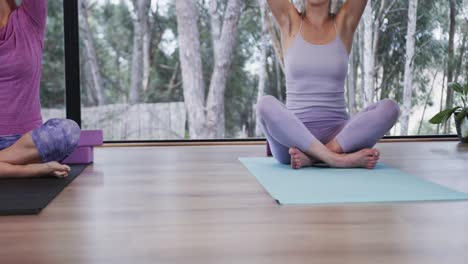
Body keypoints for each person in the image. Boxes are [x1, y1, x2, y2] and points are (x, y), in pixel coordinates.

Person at [258, 0, 400, 169]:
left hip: (340, 137)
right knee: (264, 104)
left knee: (390, 108)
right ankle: (337, 160)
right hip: (292, 142)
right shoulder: (289, 20)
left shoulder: (345, 22)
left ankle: (315, 157)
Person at [0, 0, 80, 178]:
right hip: (30, 157)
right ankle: (29, 169)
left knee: (68, 130)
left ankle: (6, 166)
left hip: (29, 143)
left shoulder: (30, 18)